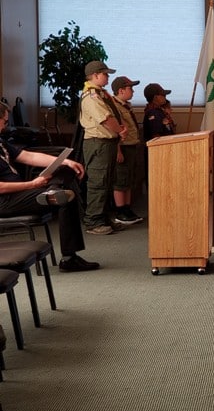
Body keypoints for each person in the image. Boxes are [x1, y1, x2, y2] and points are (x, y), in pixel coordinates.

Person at [0, 102, 98, 271]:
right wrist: (31, 184)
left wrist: (65, 161)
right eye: (4, 122)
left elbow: (29, 157)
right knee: (65, 198)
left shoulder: (0, 142)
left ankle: (53, 192)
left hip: (19, 192)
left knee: (65, 175)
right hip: (5, 200)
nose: (5, 126)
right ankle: (69, 258)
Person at [80, 60, 128, 235]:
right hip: (97, 143)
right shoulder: (91, 96)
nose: (108, 77)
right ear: (95, 75)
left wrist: (120, 130)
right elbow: (106, 118)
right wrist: (120, 130)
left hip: (106, 143)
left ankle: (103, 217)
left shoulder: (100, 94)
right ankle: (93, 221)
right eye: (105, 74)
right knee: (98, 183)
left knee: (107, 182)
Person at [111, 76, 144, 224]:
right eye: (130, 88)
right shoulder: (114, 107)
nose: (133, 91)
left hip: (131, 145)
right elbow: (115, 132)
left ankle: (127, 208)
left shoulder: (126, 105)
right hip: (122, 147)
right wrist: (117, 150)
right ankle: (120, 211)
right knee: (121, 180)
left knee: (129, 179)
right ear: (121, 90)